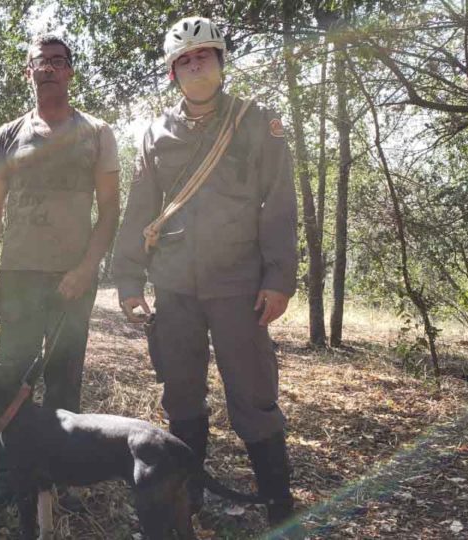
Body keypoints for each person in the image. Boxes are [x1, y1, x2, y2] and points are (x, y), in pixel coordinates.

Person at [113, 16, 301, 530]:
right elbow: (139, 210)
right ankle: (187, 496)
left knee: (254, 394)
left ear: (221, 62)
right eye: (184, 59)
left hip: (240, 284)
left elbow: (279, 205)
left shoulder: (257, 122)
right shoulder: (155, 132)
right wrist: (129, 281)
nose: (195, 64)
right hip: (174, 286)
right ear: (173, 72)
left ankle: (279, 503)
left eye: (204, 55)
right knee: (181, 394)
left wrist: (280, 277)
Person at [0, 33, 121, 513]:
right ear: (28, 72)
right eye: (42, 62)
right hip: (18, 276)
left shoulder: (96, 133)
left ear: (71, 72)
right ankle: (7, 475)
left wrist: (85, 268)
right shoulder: (8, 135)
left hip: (71, 281)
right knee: (9, 379)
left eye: (60, 62)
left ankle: (60, 480)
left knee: (63, 380)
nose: (51, 69)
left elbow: (110, 211)